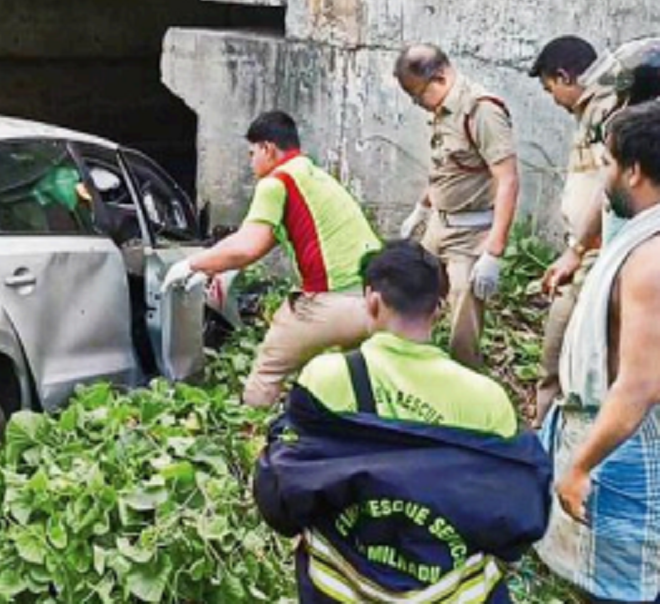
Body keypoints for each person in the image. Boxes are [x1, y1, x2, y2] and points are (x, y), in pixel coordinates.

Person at [254, 240, 551, 603]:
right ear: (439, 309)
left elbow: (283, 493)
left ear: (372, 299)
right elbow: (517, 513)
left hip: (341, 590)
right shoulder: (488, 399)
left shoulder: (326, 378)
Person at [162, 110, 381, 406]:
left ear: (268, 148)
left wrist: (190, 264)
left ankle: (255, 429)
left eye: (252, 154)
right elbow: (262, 241)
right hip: (377, 302)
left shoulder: (276, 182)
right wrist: (214, 263)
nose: (251, 163)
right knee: (364, 383)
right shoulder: (313, 175)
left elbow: (246, 247)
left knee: (268, 371)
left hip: (330, 301)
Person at [538, 100, 660, 604]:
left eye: (608, 163)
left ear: (634, 171)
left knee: (629, 588)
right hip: (605, 425)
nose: (604, 177)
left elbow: (639, 385)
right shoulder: (637, 233)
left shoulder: (652, 260)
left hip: (633, 445)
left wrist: (583, 466)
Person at [395, 44, 520, 369]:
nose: (418, 105)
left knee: (463, 315)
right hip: (439, 224)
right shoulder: (443, 112)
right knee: (414, 292)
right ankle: (412, 366)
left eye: (417, 95)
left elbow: (507, 180)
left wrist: (494, 251)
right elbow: (446, 169)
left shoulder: (482, 112)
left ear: (437, 78)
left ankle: (463, 383)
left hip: (471, 232)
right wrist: (422, 209)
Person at [528, 35, 617, 424]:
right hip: (584, 254)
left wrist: (576, 250)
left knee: (560, 353)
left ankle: (547, 444)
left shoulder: (609, 114)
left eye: (550, 89)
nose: (553, 100)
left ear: (564, 77)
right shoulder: (591, 113)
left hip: (595, 258)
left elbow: (610, 187)